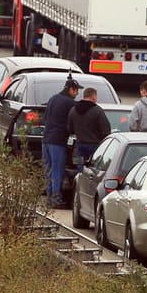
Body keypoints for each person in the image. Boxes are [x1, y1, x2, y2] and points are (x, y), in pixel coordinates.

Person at [40, 77, 79, 208]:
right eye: (76, 91)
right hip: (58, 141)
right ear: (71, 89)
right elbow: (73, 122)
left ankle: (50, 196)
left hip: (46, 139)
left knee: (48, 169)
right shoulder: (70, 103)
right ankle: (56, 198)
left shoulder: (53, 98)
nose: (77, 94)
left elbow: (45, 118)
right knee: (57, 169)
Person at [69, 86, 112, 170]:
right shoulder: (98, 111)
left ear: (84, 96)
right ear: (94, 96)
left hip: (79, 146)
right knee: (93, 170)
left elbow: (70, 129)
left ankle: (80, 181)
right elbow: (106, 130)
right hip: (95, 147)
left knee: (80, 170)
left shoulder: (73, 110)